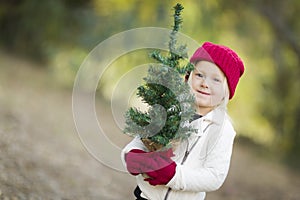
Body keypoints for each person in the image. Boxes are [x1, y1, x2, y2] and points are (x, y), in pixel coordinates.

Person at [121, 41, 245, 200]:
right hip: (146, 196)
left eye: (216, 80)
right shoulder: (170, 110)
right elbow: (142, 140)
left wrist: (174, 175)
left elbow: (214, 176)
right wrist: (133, 155)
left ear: (226, 91)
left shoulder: (222, 129)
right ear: (187, 78)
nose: (205, 84)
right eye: (199, 75)